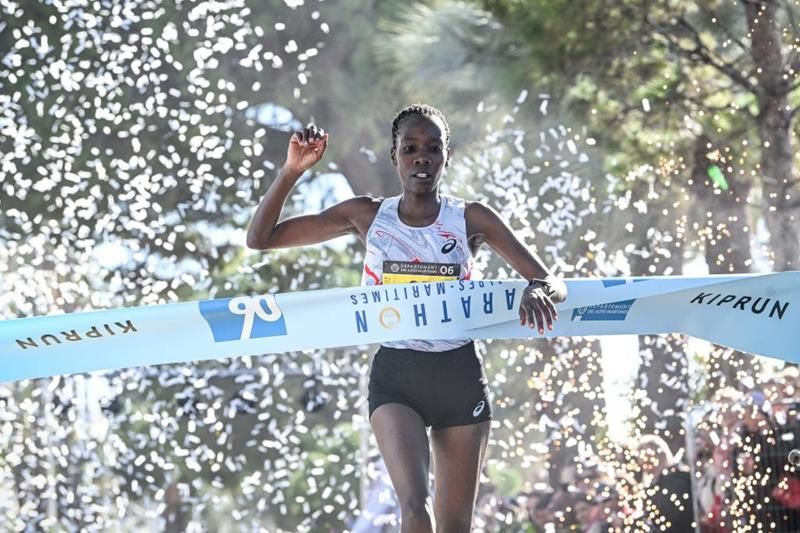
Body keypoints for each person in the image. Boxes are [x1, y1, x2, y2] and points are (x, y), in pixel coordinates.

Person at [246, 103, 567, 531]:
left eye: (433, 149)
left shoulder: (470, 217)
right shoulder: (366, 215)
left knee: (455, 526)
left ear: (446, 157)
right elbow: (260, 239)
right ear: (394, 156)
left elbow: (549, 280)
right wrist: (291, 171)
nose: (422, 157)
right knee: (414, 508)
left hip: (458, 375)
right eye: (411, 148)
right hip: (397, 374)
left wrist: (537, 289)